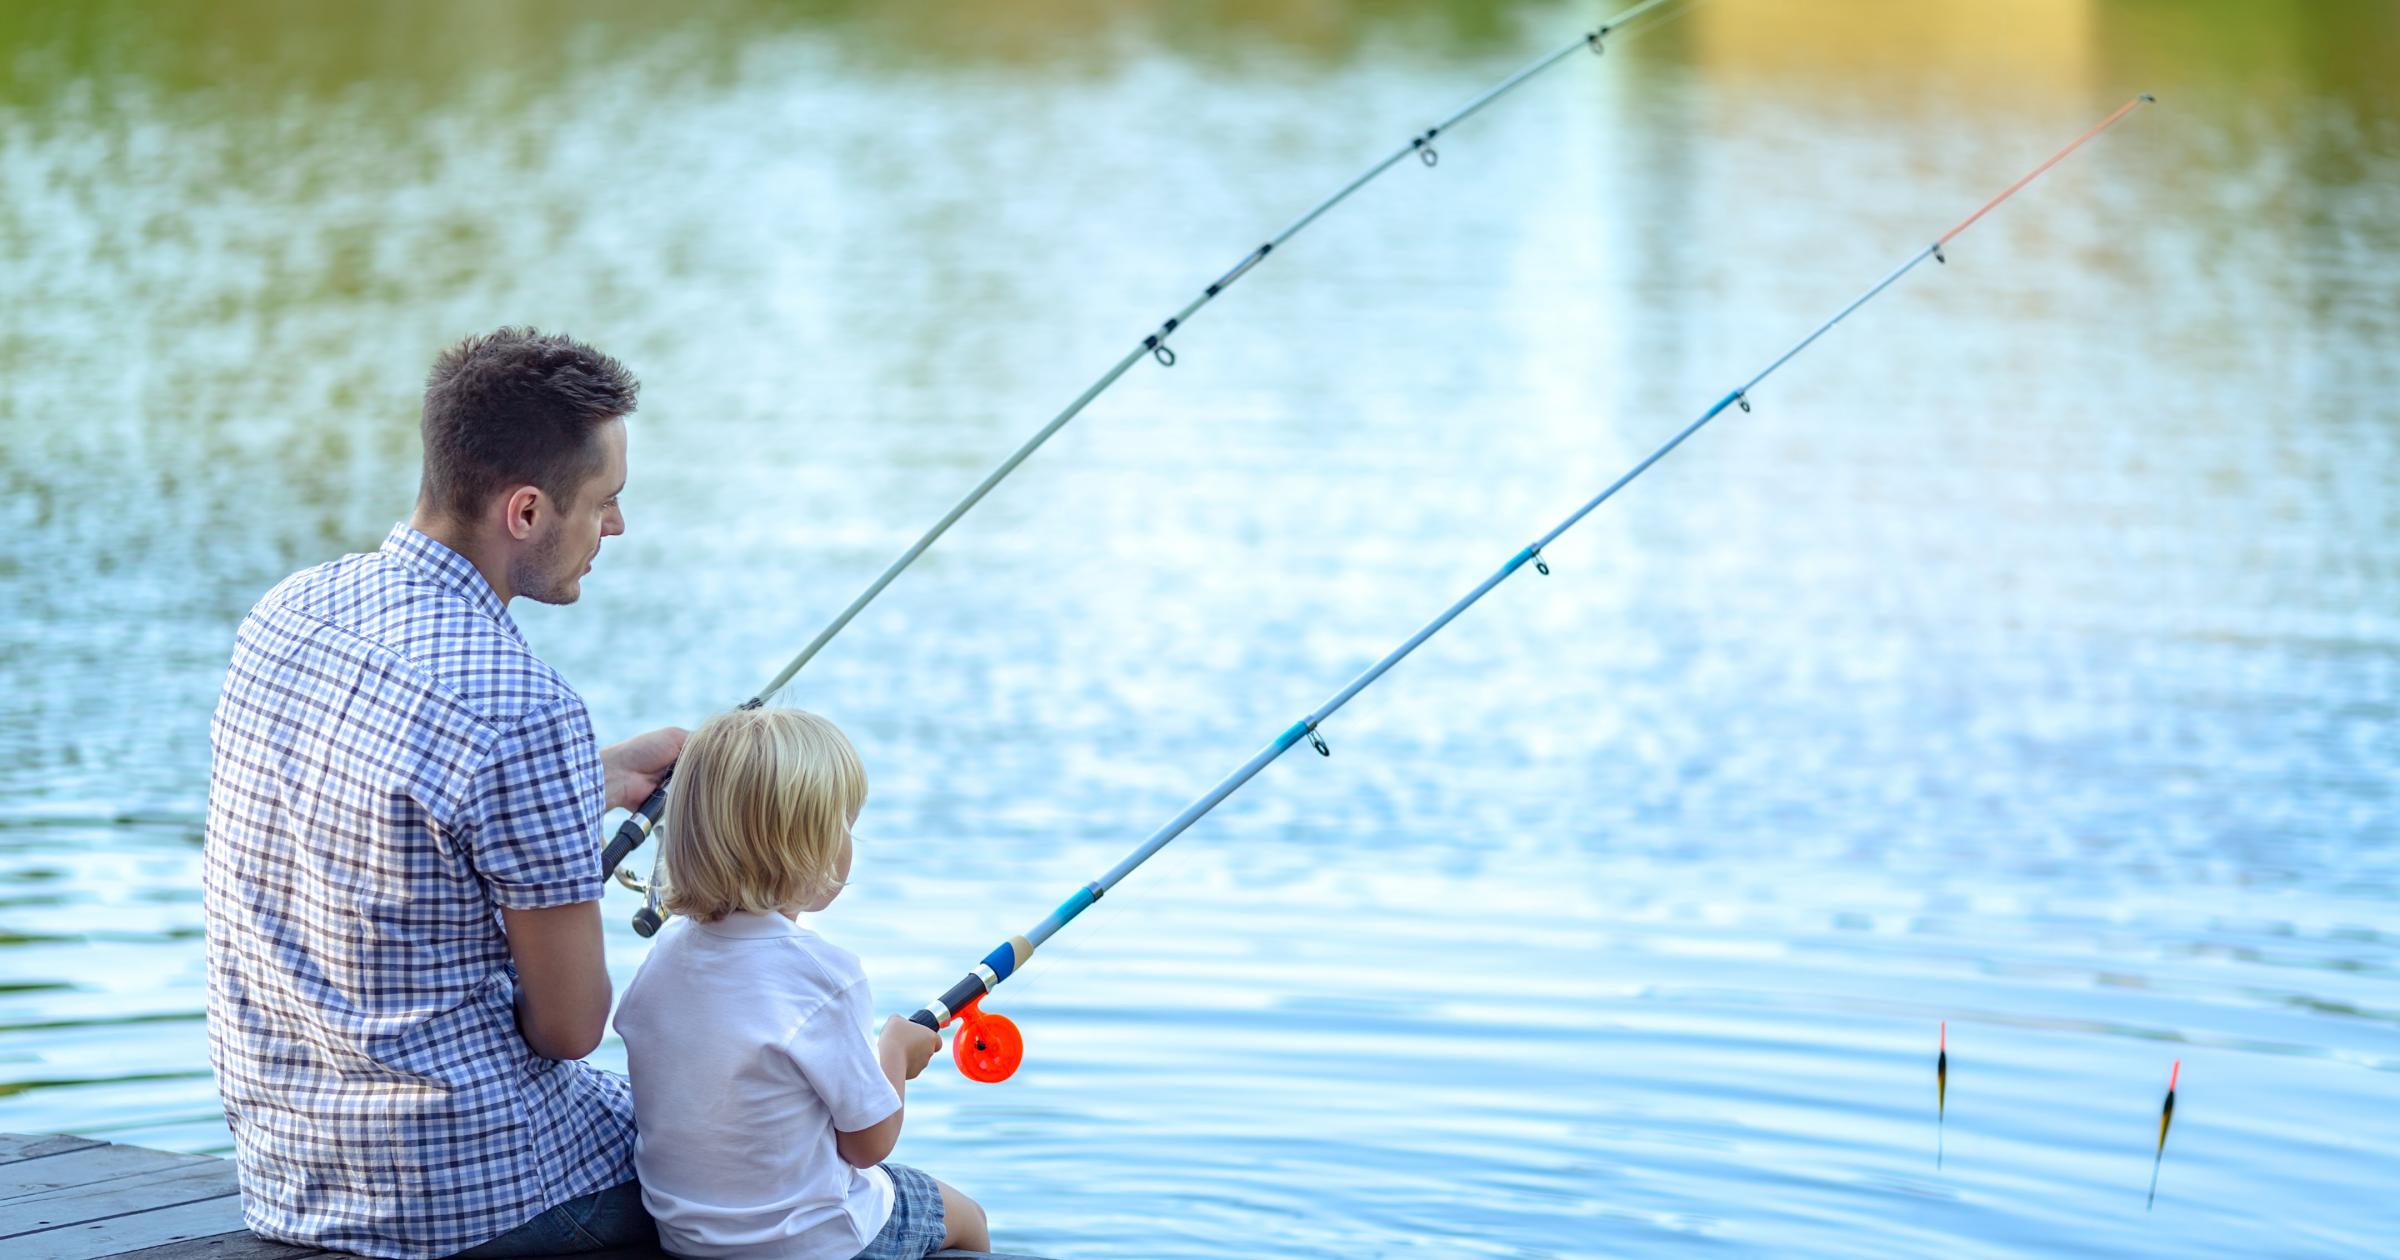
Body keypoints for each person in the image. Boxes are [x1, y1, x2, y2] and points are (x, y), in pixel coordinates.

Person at [203, 327, 686, 1258]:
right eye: (606, 502)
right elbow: (570, 1028)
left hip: (288, 1173)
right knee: (814, 1177)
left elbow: (384, 810)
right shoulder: (524, 708)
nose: (616, 528)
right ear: (528, 511)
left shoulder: (287, 612)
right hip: (460, 1193)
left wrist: (604, 775)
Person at [612, 707, 990, 1260]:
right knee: (966, 1217)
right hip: (816, 1240)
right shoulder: (824, 975)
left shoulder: (666, 955)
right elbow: (867, 1145)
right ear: (803, 849)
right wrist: (895, 1054)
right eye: (844, 825)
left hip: (688, 1236)